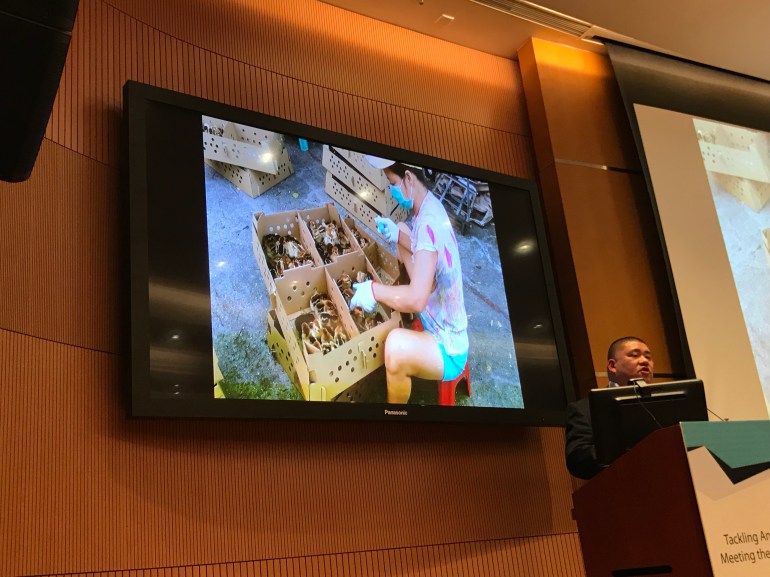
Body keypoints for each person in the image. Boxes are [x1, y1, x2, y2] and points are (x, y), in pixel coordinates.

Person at [349, 156, 469, 404]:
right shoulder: (429, 205)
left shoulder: (428, 225)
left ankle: (395, 414)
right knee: (403, 230)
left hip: (448, 345)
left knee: (395, 348)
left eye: (392, 183)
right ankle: (408, 322)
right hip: (434, 311)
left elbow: (416, 299)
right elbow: (420, 248)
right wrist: (397, 234)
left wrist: (373, 290)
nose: (391, 190)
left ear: (408, 178)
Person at [564, 336, 655, 480]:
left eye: (648, 357)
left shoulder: (671, 402)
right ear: (613, 366)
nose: (644, 361)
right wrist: (631, 450)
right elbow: (578, 460)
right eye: (634, 355)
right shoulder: (585, 409)